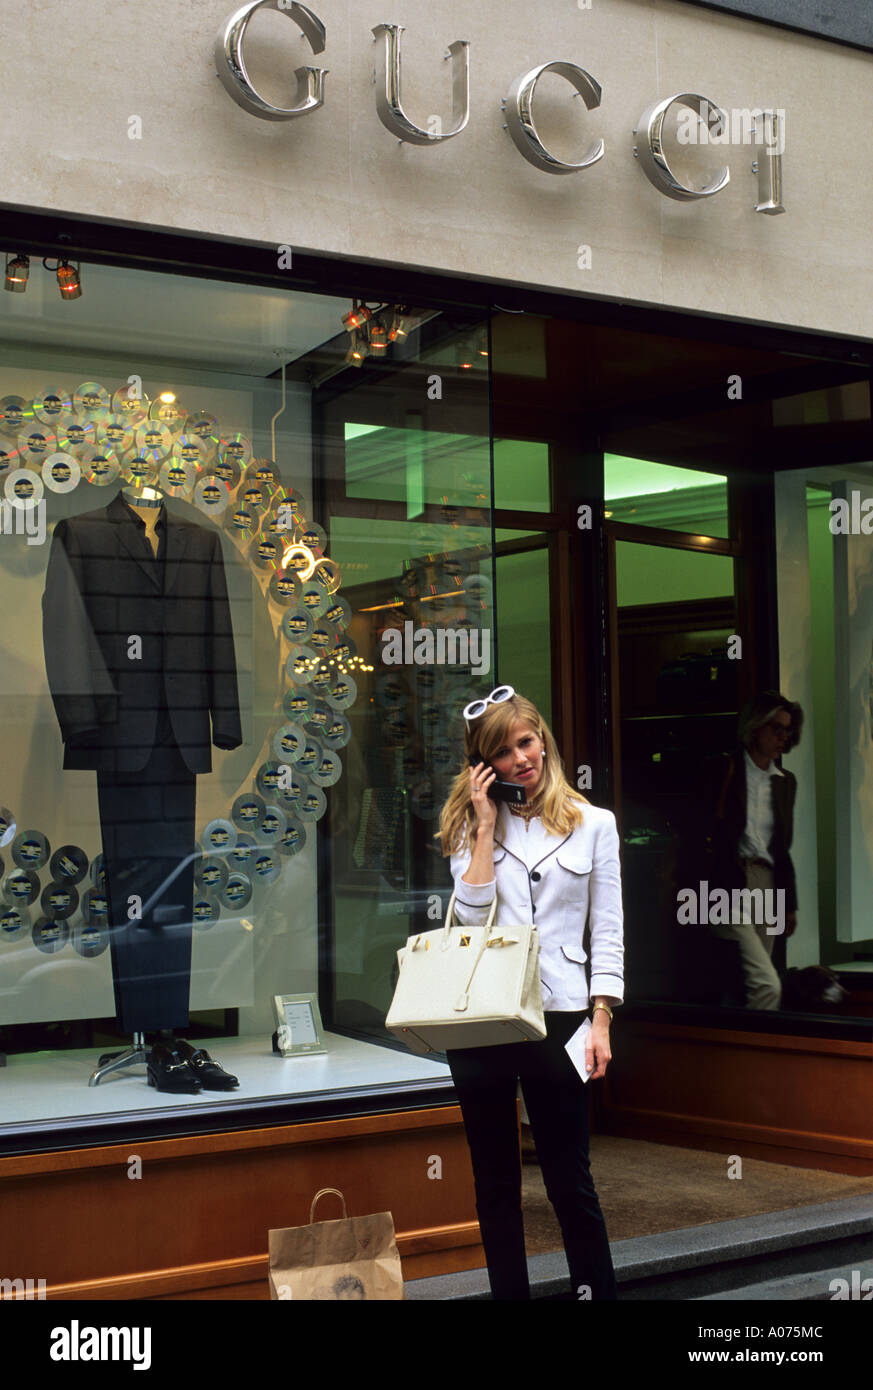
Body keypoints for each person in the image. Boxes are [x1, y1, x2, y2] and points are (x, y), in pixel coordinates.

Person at [437, 686, 624, 1300]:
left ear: (543, 739)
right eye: (504, 750)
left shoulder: (594, 824)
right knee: (494, 1181)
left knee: (571, 1179)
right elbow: (469, 919)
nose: (522, 758)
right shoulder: (467, 828)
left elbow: (609, 930)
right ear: (483, 764)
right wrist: (486, 827)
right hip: (483, 1020)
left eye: (527, 742)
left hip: (564, 1016)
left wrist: (601, 1020)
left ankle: (594, 1293)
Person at [700, 690, 802, 1011]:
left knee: (754, 980)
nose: (783, 737)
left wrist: (788, 903)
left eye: (788, 730)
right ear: (755, 726)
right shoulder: (724, 770)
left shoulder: (785, 781)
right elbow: (700, 827)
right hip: (729, 881)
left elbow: (783, 848)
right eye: (776, 728)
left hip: (768, 882)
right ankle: (755, 1049)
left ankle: (747, 1048)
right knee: (766, 984)